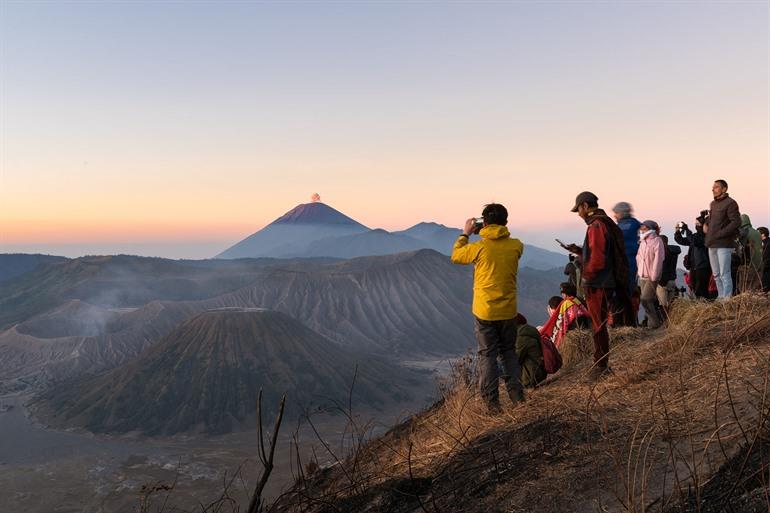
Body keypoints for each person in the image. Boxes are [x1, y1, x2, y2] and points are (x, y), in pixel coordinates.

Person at [451, 203, 525, 412]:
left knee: (488, 355)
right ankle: (517, 398)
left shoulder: (479, 247)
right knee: (509, 352)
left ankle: (492, 404)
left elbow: (456, 256)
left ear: (485, 223)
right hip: (508, 310)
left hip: (485, 311)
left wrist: (466, 234)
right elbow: (507, 246)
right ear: (506, 222)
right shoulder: (516, 245)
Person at [570, 191, 629, 379]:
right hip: (607, 280)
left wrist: (586, 278)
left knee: (598, 324)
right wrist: (580, 251)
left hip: (599, 283)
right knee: (600, 323)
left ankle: (600, 365)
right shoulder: (605, 223)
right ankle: (601, 363)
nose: (579, 215)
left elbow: (597, 260)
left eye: (578, 210)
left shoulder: (596, 225)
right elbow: (601, 252)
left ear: (585, 206)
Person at [704, 179, 741, 298]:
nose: (713, 189)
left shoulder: (731, 203)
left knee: (725, 273)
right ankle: (720, 297)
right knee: (716, 274)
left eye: (716, 187)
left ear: (724, 189)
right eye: (713, 187)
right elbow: (712, 220)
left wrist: (721, 233)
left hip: (724, 243)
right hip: (711, 242)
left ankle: (727, 298)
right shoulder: (713, 204)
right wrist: (705, 224)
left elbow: (736, 222)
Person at [540, 284, 590, 349]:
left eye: (563, 293)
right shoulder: (577, 300)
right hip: (584, 326)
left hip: (574, 328)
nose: (562, 296)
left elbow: (563, 320)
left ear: (565, 294)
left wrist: (560, 334)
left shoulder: (566, 303)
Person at [675, 214, 712, 299]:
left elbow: (695, 241)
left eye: (698, 224)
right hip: (694, 266)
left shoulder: (706, 237)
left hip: (703, 266)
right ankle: (698, 305)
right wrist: (677, 231)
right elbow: (682, 241)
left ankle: (704, 305)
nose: (696, 226)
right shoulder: (694, 236)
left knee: (702, 289)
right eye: (695, 223)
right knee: (694, 288)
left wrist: (687, 230)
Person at [636, 220, 665, 329]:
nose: (642, 230)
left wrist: (654, 276)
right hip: (642, 275)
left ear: (651, 228)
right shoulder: (642, 242)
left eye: (644, 228)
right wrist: (638, 272)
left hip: (652, 276)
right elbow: (638, 257)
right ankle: (652, 324)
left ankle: (655, 324)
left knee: (645, 299)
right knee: (649, 300)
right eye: (641, 228)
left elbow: (658, 259)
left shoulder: (657, 240)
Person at [612, 201, 641, 299]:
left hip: (626, 263)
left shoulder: (624, 227)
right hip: (632, 262)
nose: (614, 216)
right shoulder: (636, 224)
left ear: (622, 213)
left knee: (622, 295)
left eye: (616, 213)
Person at [514, 314, 547, 388]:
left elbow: (515, 360)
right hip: (539, 371)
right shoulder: (531, 331)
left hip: (530, 377)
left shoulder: (522, 338)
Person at [737, 214, 763, 293]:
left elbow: (741, 249)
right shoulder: (757, 232)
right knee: (756, 289)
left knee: (745, 289)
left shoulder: (743, 233)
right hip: (760, 264)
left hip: (748, 265)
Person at [658, 235, 681, 313]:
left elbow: (663, 268)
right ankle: (672, 320)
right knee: (671, 305)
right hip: (672, 280)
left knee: (663, 305)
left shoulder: (662, 252)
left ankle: (665, 322)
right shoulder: (674, 251)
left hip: (663, 281)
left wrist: (660, 282)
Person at [758, 226, 770, 292]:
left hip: (767, 270)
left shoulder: (767, 244)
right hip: (766, 269)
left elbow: (766, 259)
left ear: (762, 234)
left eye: (758, 234)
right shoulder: (766, 242)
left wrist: (762, 268)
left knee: (766, 288)